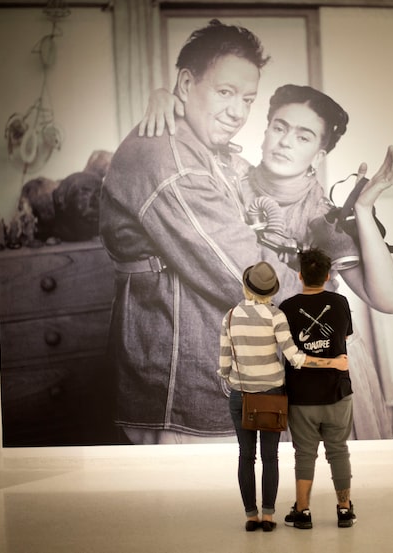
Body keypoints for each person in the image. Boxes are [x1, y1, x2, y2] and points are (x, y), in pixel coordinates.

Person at [139, 84, 393, 438]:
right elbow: (186, 142)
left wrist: (363, 209)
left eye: (303, 136)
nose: (286, 142)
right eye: (279, 127)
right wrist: (167, 99)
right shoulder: (224, 178)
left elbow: (388, 300)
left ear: (319, 155)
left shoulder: (320, 219)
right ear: (264, 133)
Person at [99, 20, 304, 444]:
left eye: (247, 99)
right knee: (199, 507)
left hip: (228, 379)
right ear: (187, 83)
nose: (237, 112)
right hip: (184, 393)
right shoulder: (173, 160)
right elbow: (243, 275)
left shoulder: (204, 149)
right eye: (225, 92)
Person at [218, 261, 348, 532]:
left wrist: (233, 381)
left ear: (246, 286)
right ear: (271, 290)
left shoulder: (230, 316)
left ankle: (250, 516)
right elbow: (295, 359)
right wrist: (332, 363)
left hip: (240, 395)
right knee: (270, 457)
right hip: (272, 396)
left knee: (245, 456)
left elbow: (224, 364)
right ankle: (268, 516)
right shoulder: (276, 316)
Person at [279, 248, 356, 529]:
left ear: (300, 276)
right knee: (338, 450)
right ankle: (344, 509)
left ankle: (303, 511)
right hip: (338, 392)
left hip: (301, 396)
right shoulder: (339, 302)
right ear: (327, 276)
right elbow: (347, 335)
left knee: (304, 454)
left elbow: (288, 351)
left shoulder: (286, 307)